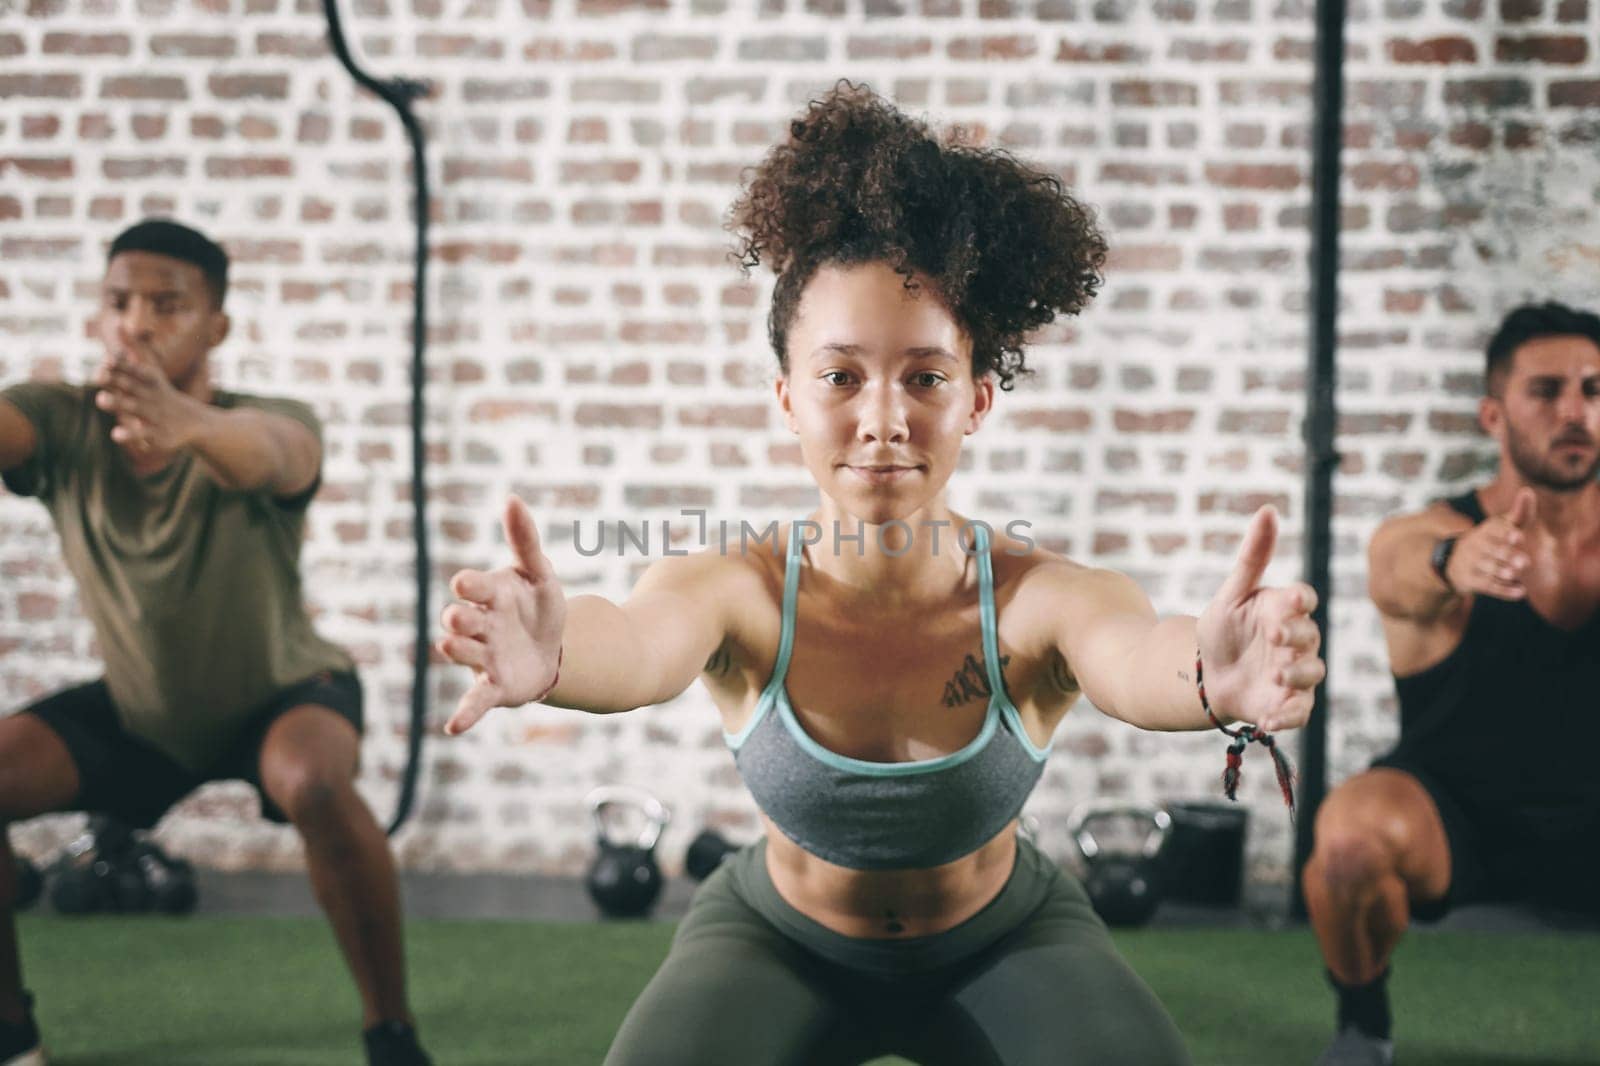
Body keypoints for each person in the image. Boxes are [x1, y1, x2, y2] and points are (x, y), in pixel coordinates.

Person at [440, 83, 1323, 1066]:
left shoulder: (1039, 595)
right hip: (777, 936)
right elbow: (639, 643)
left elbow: (1133, 654)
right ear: (786, 395)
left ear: (978, 399)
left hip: (1003, 932)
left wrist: (1210, 679)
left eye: (925, 377)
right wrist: (555, 652)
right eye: (841, 374)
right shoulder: (736, 585)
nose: (883, 418)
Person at [0, 220, 430, 1066]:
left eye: (167, 305)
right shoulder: (60, 422)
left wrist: (183, 424)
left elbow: (279, 455)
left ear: (216, 326)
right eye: (119, 302)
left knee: (313, 782)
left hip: (285, 695)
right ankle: (14, 1039)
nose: (137, 322)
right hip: (140, 712)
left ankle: (392, 1032)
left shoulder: (266, 418)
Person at [1302, 301, 1600, 1066]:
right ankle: (1364, 1027)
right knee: (1346, 842)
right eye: (1547, 391)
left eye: (1594, 391)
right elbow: (1396, 566)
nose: (1575, 412)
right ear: (1494, 416)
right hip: (1458, 817)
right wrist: (1454, 563)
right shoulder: (1432, 533)